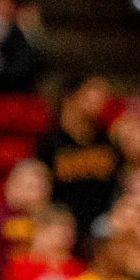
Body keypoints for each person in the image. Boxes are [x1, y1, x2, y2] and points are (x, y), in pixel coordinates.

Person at [37, 80, 122, 240]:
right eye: (93, 96)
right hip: (61, 225)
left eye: (103, 98)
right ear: (71, 97)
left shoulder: (106, 141)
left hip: (101, 226)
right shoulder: (49, 142)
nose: (100, 102)